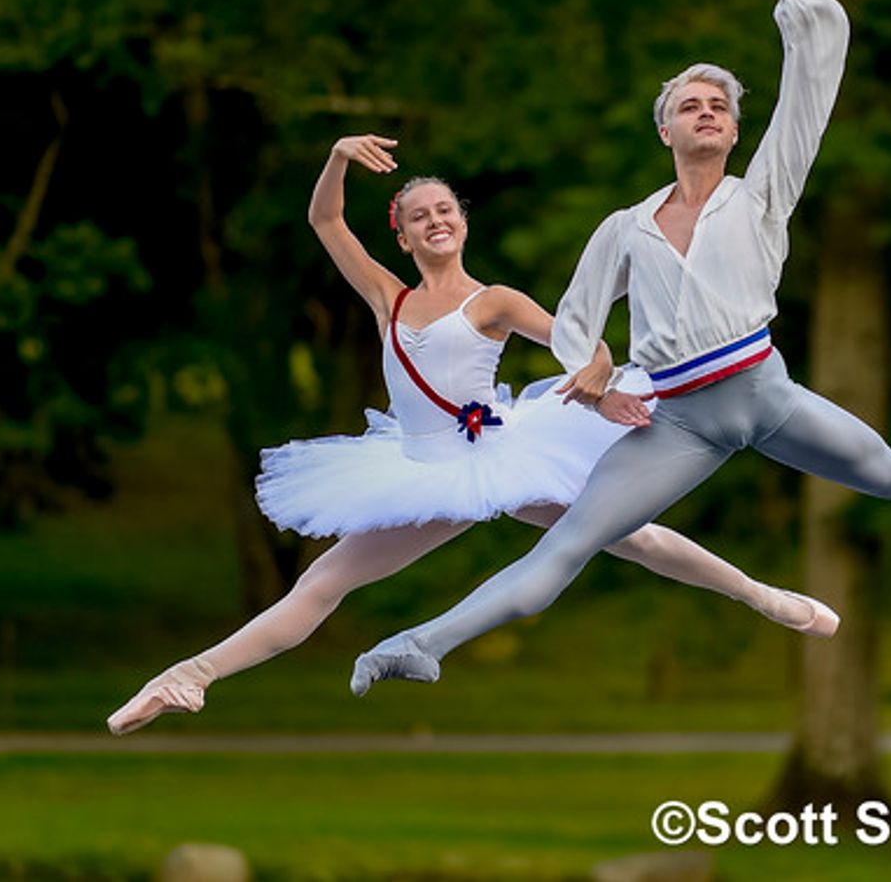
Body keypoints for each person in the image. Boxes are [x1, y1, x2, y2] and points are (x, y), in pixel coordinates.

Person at [350, 0, 891, 697]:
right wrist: (599, 379)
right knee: (567, 546)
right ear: (666, 131)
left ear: (737, 128)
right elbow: (576, 322)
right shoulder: (626, 228)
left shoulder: (762, 197)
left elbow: (811, 86)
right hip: (677, 421)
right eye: (691, 104)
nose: (707, 110)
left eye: (720, 103)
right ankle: (418, 641)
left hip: (767, 394)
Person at [106, 130, 838, 735]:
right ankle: (187, 678)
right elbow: (326, 223)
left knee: (630, 535)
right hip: (419, 467)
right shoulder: (386, 298)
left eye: (445, 210)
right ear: (401, 235)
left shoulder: (493, 302)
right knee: (322, 582)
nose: (435, 220)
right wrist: (336, 156)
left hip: (497, 453)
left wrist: (600, 375)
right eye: (419, 215)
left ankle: (761, 596)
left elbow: (578, 342)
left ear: (462, 223)